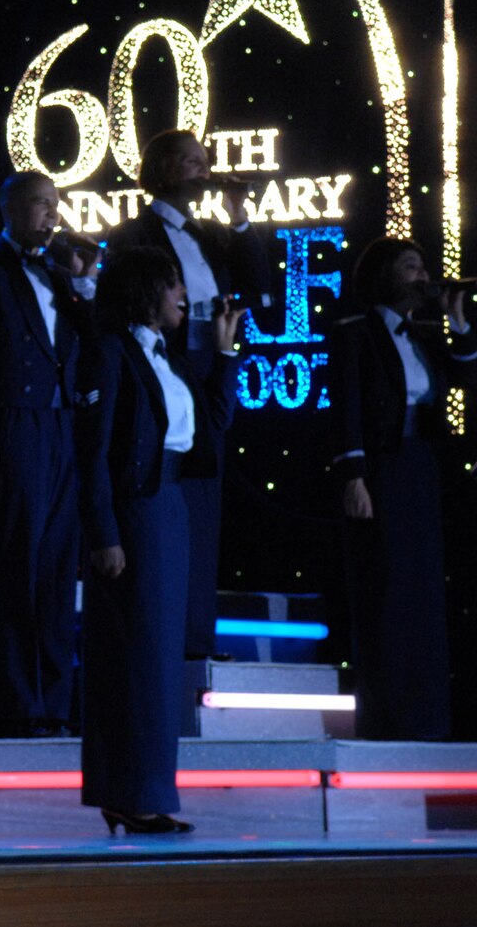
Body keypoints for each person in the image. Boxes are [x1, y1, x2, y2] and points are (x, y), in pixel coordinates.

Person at [77, 246, 242, 835]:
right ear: (145, 291)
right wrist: (104, 534)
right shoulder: (109, 353)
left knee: (159, 661)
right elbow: (91, 454)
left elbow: (211, 427)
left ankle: (145, 792)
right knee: (136, 659)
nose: (183, 296)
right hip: (134, 516)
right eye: (173, 285)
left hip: (171, 510)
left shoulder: (165, 356)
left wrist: (225, 354)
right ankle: (129, 791)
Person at [105, 129, 273, 664]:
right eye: (191, 163)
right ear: (162, 171)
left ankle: (197, 642)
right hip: (164, 364)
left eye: (206, 163)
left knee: (204, 508)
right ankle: (162, 637)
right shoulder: (136, 233)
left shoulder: (208, 236)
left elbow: (263, 291)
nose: (203, 172)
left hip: (209, 357)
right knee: (166, 499)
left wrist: (239, 216)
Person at [0, 171, 96, 737]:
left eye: (55, 206)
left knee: (58, 568)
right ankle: (15, 703)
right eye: (39, 205)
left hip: (64, 427)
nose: (51, 216)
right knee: (18, 565)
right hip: (14, 426)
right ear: (8, 208)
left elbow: (94, 349)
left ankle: (53, 704)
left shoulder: (62, 276)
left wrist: (83, 286)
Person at [327, 236, 477, 741]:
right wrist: (354, 475)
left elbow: (466, 372)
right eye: (410, 266)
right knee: (386, 589)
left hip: (420, 467)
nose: (421, 275)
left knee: (421, 592)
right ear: (385, 274)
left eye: (423, 267)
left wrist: (457, 318)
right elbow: (346, 407)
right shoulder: (355, 333)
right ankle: (387, 719)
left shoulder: (423, 335)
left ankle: (427, 718)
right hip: (381, 468)